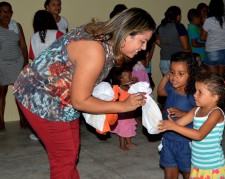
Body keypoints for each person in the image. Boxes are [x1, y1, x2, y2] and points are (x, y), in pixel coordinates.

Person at [13, 8, 155, 179]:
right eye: (142, 41)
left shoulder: (103, 40)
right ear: (127, 33)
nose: (144, 48)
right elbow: (80, 101)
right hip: (41, 97)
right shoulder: (95, 50)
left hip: (62, 97)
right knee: (64, 157)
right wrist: (123, 106)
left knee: (72, 149)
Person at [158, 72, 225, 179]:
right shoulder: (196, 110)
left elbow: (199, 135)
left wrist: (173, 126)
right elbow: (177, 124)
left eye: (200, 92)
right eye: (195, 91)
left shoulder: (216, 113)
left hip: (212, 166)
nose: (195, 95)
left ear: (214, 97)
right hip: (196, 163)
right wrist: (165, 125)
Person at [157, 52, 199, 179]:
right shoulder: (171, 87)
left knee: (188, 173)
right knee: (169, 171)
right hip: (168, 139)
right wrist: (165, 76)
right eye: (172, 72)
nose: (174, 77)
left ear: (191, 75)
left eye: (180, 74)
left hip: (185, 142)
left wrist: (185, 114)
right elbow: (160, 92)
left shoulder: (194, 95)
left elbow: (203, 115)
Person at [28, 10, 64, 140]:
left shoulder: (33, 38)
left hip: (40, 76)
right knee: (58, 106)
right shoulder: (58, 34)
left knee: (43, 106)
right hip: (57, 75)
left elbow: (32, 57)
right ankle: (59, 131)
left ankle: (40, 133)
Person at [0, 1, 28, 132]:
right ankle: (1, 121)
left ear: (12, 13)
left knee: (19, 94)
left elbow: (23, 45)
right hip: (2, 64)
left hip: (18, 63)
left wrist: (26, 63)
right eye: (2, 11)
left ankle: (23, 119)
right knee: (1, 93)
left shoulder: (16, 26)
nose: (6, 14)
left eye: (8, 11)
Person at [155, 6, 191, 76]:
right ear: (177, 16)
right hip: (177, 61)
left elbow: (155, 38)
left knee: (168, 85)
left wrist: (165, 45)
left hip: (164, 61)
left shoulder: (160, 27)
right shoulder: (179, 27)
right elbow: (186, 48)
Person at [110, 65, 138, 151]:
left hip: (129, 113)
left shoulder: (129, 87)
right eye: (129, 76)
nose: (131, 78)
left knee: (128, 128)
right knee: (123, 131)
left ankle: (129, 142)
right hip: (122, 115)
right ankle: (122, 144)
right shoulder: (119, 88)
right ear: (121, 79)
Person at [201, 0, 225, 77]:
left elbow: (202, 37)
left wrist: (204, 23)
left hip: (213, 51)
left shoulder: (209, 20)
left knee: (214, 81)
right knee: (220, 80)